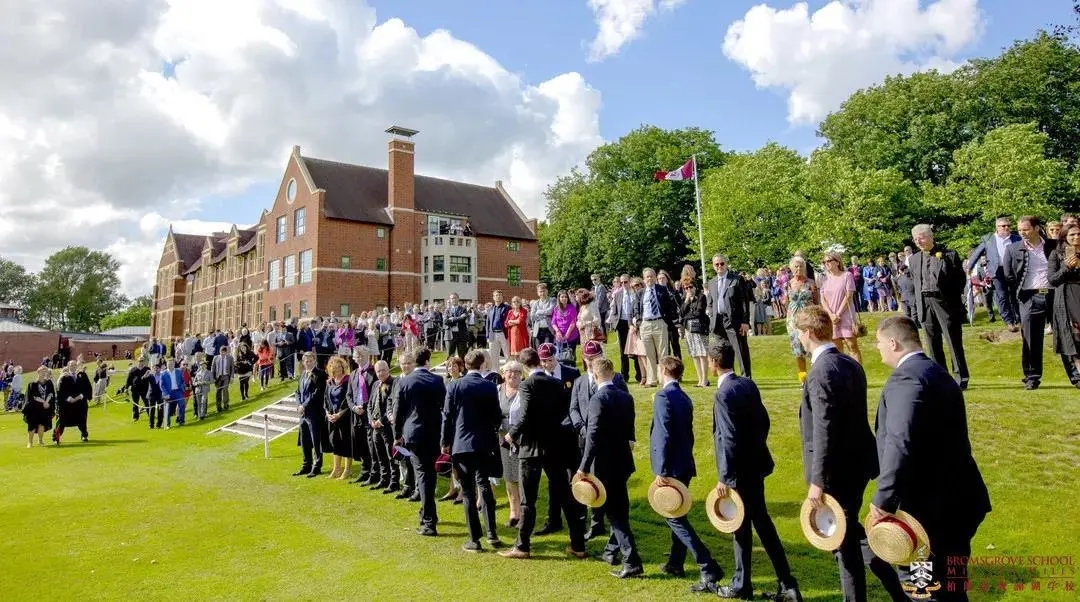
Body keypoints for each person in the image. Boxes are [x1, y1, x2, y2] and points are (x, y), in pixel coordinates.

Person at [871, 317, 992, 601]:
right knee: (953, 587)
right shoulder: (937, 372)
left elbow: (900, 441)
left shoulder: (907, 378)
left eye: (878, 343)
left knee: (925, 589)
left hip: (930, 510)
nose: (877, 349)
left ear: (893, 342)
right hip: (960, 501)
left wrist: (884, 498)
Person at [794, 307, 907, 602]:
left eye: (798, 332)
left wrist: (817, 482)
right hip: (859, 463)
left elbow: (824, 430)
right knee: (854, 533)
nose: (798, 338)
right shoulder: (850, 363)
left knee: (843, 546)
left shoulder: (820, 371)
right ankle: (901, 593)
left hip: (837, 471)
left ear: (807, 334)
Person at [709, 342, 802, 601]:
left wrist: (725, 478)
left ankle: (742, 585)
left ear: (713, 363)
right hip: (755, 466)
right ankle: (787, 584)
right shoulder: (747, 384)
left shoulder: (723, 394)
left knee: (741, 527)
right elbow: (764, 421)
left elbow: (728, 437)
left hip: (739, 472)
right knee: (762, 525)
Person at [501, 348, 587, 560]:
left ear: (523, 366)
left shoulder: (527, 385)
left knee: (528, 500)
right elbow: (562, 411)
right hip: (554, 445)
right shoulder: (556, 384)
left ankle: (522, 546)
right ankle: (578, 544)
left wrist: (511, 435)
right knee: (565, 495)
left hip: (531, 448)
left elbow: (526, 414)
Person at [651, 356, 724, 593]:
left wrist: (661, 470)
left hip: (670, 467)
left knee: (674, 517)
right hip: (684, 464)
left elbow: (663, 434)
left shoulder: (663, 397)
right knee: (677, 513)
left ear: (663, 371)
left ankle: (707, 564)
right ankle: (675, 563)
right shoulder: (683, 396)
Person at [576, 357, 642, 578]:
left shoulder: (597, 399)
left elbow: (592, 436)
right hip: (623, 461)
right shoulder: (625, 397)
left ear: (595, 376)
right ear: (613, 373)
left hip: (605, 464)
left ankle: (631, 560)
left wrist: (583, 468)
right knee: (620, 509)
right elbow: (629, 429)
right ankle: (617, 553)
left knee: (615, 515)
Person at [441, 349, 504, 552]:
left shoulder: (455, 386)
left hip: (462, 444)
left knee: (468, 491)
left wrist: (445, 441)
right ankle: (492, 533)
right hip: (484, 443)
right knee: (483, 485)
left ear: (466, 366)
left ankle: (474, 539)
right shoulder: (489, 387)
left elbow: (447, 416)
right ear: (482, 364)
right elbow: (496, 416)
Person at [393, 347, 446, 537]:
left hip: (414, 434)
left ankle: (429, 521)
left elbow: (398, 411)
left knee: (424, 475)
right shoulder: (437, 380)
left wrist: (397, 435)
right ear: (428, 361)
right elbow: (445, 408)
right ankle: (426, 514)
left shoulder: (406, 381)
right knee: (428, 474)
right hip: (433, 433)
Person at [910, 224, 969, 389]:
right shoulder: (914, 259)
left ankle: (961, 377)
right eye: (916, 239)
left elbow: (960, 280)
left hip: (945, 303)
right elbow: (915, 282)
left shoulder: (948, 255)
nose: (919, 242)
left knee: (953, 341)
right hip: (924, 303)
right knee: (932, 343)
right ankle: (940, 378)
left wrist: (953, 300)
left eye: (921, 237)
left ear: (931, 236)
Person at [1003, 216, 1059, 390]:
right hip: (1029, 297)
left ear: (1036, 228)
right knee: (1030, 339)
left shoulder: (1053, 246)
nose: (1022, 233)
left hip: (1053, 295)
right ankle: (1032, 377)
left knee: (1066, 336)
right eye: (1019, 230)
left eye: (1025, 229)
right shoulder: (1013, 249)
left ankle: (1075, 375)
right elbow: (1009, 276)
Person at [536, 343, 585, 537]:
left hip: (570, 434)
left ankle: (581, 516)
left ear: (556, 356)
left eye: (549, 360)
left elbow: (578, 402)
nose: (546, 364)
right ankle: (554, 519)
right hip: (550, 436)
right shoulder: (538, 377)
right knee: (554, 480)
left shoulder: (571, 373)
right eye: (543, 361)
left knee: (576, 476)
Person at [968, 216, 1022, 332]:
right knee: (1002, 296)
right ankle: (1009, 321)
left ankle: (1019, 319)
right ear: (997, 227)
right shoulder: (988, 239)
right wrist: (969, 267)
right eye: (1003, 226)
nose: (1006, 228)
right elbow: (976, 253)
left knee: (1015, 296)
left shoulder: (1017, 239)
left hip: (1013, 271)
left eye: (1008, 226)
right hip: (997, 271)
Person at [707, 254, 752, 378]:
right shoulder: (711, 283)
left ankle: (746, 378)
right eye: (717, 264)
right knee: (724, 352)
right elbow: (710, 301)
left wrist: (745, 321)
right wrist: (710, 313)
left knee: (741, 351)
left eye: (722, 263)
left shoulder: (736, 280)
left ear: (726, 264)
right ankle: (728, 377)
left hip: (734, 320)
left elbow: (744, 301)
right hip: (718, 322)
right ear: (713, 266)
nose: (720, 266)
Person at [1049, 223, 1080, 387]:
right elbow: (1052, 279)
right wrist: (1066, 267)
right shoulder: (1057, 254)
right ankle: (1077, 375)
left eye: (1078, 234)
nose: (1076, 238)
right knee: (1073, 336)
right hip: (1067, 297)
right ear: (1064, 238)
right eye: (1072, 235)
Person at [498, 360, 525, 528]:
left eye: (517, 371)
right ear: (504, 374)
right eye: (509, 371)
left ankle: (524, 513)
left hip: (521, 439)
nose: (513, 374)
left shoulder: (524, 390)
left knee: (521, 476)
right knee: (508, 476)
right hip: (503, 439)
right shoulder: (497, 390)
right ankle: (513, 512)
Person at [635, 268, 673, 387]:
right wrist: (639, 322)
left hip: (659, 323)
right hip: (645, 325)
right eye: (647, 277)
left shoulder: (662, 290)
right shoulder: (640, 292)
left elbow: (669, 306)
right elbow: (636, 308)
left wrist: (666, 321)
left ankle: (664, 379)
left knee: (663, 353)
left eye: (651, 276)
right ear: (644, 278)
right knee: (649, 354)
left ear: (655, 277)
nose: (649, 278)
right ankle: (652, 380)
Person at [293, 352, 328, 478]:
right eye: (306, 361)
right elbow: (297, 392)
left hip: (314, 413)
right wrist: (298, 405)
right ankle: (306, 465)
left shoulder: (320, 374)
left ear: (315, 361)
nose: (308, 363)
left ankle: (317, 466)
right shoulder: (303, 374)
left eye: (310, 361)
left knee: (316, 440)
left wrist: (304, 405)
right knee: (305, 440)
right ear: (303, 362)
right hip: (303, 414)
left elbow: (317, 393)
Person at [368, 360, 400, 493]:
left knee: (390, 454)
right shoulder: (375, 384)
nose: (380, 373)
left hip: (386, 425)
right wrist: (371, 420)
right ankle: (384, 478)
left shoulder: (394, 383)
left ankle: (394, 482)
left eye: (383, 370)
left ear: (388, 369)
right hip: (375, 425)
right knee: (379, 454)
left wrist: (381, 420)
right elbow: (369, 404)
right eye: (378, 371)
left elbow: (392, 406)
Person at [348, 348, 377, 485]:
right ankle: (364, 471)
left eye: (361, 356)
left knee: (371, 444)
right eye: (356, 356)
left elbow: (375, 395)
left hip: (369, 413)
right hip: (356, 413)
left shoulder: (373, 372)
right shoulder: (353, 374)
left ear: (367, 356)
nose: (359, 358)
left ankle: (374, 472)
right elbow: (348, 395)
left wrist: (365, 408)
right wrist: (354, 407)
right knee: (360, 443)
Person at [608, 274, 643, 384]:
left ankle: (640, 375)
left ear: (629, 281)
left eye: (625, 282)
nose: (623, 284)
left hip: (633, 322)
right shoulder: (618, 294)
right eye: (621, 282)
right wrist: (615, 323)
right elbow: (614, 310)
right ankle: (625, 375)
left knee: (637, 350)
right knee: (623, 351)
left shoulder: (635, 293)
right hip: (622, 323)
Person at [324, 356, 353, 480]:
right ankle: (336, 469)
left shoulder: (348, 381)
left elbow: (349, 399)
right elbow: (325, 399)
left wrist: (340, 414)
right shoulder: (329, 382)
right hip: (332, 417)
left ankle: (347, 470)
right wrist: (327, 413)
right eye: (334, 368)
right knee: (335, 442)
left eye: (339, 367)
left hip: (345, 417)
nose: (337, 369)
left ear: (343, 367)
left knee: (346, 443)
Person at [679, 278, 710, 387]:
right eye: (686, 288)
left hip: (700, 328)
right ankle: (700, 379)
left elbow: (699, 312)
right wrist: (687, 301)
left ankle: (705, 380)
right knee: (695, 355)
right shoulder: (685, 298)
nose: (688, 289)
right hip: (689, 330)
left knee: (702, 354)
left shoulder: (701, 297)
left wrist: (686, 317)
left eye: (690, 287)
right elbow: (682, 312)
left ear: (695, 287)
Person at [53, 360, 90, 444]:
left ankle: (84, 435)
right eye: (71, 365)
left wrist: (80, 396)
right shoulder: (64, 377)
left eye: (74, 365)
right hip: (67, 404)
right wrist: (70, 399)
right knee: (61, 421)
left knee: (82, 420)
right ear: (68, 366)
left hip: (80, 403)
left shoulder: (82, 375)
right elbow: (60, 390)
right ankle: (56, 438)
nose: (73, 366)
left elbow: (87, 387)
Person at [24, 365, 55, 447]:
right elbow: (33, 396)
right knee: (32, 426)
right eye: (42, 371)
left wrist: (47, 403)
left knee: (42, 425)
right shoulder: (32, 384)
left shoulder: (49, 383)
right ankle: (30, 442)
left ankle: (40, 441)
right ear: (38, 372)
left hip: (45, 408)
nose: (44, 373)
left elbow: (51, 393)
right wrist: (44, 402)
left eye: (45, 371)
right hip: (34, 408)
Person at [443, 293, 470, 359]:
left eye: (455, 298)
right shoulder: (447, 310)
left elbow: (463, 318)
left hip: (461, 334)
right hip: (450, 335)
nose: (454, 299)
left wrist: (452, 319)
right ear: (450, 300)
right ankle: (450, 368)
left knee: (462, 355)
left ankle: (463, 369)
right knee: (450, 355)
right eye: (452, 298)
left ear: (458, 299)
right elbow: (445, 321)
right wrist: (458, 319)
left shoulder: (463, 309)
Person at [212, 345, 235, 412]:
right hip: (218, 377)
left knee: (225, 390)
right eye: (221, 352)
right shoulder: (215, 358)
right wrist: (213, 377)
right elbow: (213, 368)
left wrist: (232, 377)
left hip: (226, 376)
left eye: (224, 352)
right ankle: (218, 407)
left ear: (226, 352)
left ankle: (226, 405)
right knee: (218, 392)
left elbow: (232, 368)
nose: (222, 354)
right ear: (219, 351)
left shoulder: (230, 358)